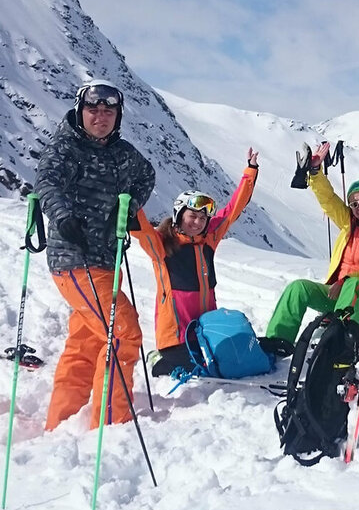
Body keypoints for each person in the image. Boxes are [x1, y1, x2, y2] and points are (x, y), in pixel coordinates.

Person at [35, 79, 155, 430]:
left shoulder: (123, 153)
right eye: (93, 109)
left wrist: (131, 205)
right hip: (74, 258)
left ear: (117, 115)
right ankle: (112, 423)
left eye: (108, 110)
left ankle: (62, 422)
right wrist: (62, 216)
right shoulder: (66, 147)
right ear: (80, 111)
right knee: (123, 332)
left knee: (86, 341)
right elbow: (46, 182)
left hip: (107, 259)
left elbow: (146, 175)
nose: (100, 116)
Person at [131, 149, 262, 376]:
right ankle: (159, 359)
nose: (198, 222)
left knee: (233, 359)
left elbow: (232, 210)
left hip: (206, 331)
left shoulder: (208, 240)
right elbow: (141, 228)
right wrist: (130, 199)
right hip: (176, 337)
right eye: (192, 215)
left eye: (202, 218)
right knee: (204, 369)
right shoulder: (161, 244)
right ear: (179, 215)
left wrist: (250, 171)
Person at [263, 142, 359, 354]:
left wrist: (347, 280)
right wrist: (315, 171)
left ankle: (340, 337)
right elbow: (328, 199)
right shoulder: (348, 223)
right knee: (298, 288)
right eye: (354, 204)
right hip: (335, 295)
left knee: (355, 283)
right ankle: (278, 342)